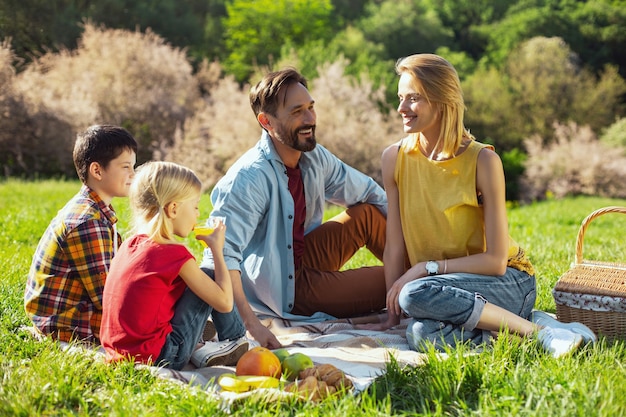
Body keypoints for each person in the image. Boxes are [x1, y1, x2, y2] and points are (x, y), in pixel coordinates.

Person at [364, 53, 596, 358]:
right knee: (420, 334)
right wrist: (393, 316)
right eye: (400, 97)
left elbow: (496, 261)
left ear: (442, 100)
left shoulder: (483, 161)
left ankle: (539, 331)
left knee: (415, 292)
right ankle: (521, 330)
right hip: (443, 290)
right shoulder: (394, 158)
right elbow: (394, 245)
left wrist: (424, 269)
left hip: (507, 284)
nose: (401, 108)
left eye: (413, 98)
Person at [200, 68, 388, 348]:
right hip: (285, 290)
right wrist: (251, 325)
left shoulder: (313, 157)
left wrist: (426, 252)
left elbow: (371, 193)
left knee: (368, 214)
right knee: (393, 281)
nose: (310, 119)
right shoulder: (250, 176)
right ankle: (429, 287)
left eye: (311, 108)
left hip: (304, 259)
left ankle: (433, 277)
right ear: (266, 121)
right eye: (296, 112)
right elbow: (220, 254)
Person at [100, 161, 249, 370]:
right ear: (173, 209)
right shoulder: (174, 254)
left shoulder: (129, 245)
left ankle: (197, 335)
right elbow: (224, 302)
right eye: (195, 206)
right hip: (165, 355)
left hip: (120, 352)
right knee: (209, 274)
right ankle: (235, 339)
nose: (198, 214)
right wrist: (217, 249)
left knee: (183, 285)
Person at [24, 125, 138, 344]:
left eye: (133, 166)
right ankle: (186, 339)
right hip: (66, 323)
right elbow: (109, 298)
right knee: (152, 317)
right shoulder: (88, 222)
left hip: (72, 310)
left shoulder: (95, 209)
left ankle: (184, 329)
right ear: (97, 170)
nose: (133, 174)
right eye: (125, 167)